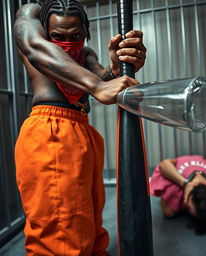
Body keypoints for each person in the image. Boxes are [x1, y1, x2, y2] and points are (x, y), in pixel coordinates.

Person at [14, 0, 146, 255]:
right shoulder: (31, 13)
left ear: (86, 31)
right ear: (46, 30)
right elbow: (34, 47)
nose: (67, 41)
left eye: (76, 35)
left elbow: (101, 81)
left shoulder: (85, 54)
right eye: (57, 36)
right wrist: (97, 86)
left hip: (83, 130)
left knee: (86, 218)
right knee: (58, 230)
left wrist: (118, 68)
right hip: (49, 130)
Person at [150, 155, 206, 234]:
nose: (185, 204)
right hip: (180, 175)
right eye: (187, 205)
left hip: (205, 186)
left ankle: (202, 211)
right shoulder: (180, 171)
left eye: (187, 205)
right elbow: (164, 164)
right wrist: (184, 183)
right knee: (168, 212)